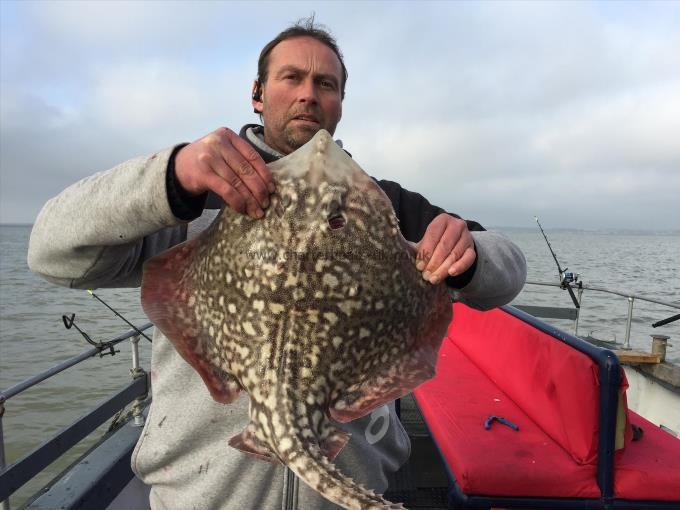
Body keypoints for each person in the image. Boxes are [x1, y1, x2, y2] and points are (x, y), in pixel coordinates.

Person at [28, 18, 526, 510]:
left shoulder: (384, 205)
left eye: (325, 84)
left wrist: (469, 255)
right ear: (258, 94)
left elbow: (508, 268)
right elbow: (51, 252)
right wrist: (172, 175)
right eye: (292, 77)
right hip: (203, 498)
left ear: (339, 105)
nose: (309, 94)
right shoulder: (194, 200)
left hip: (349, 484)